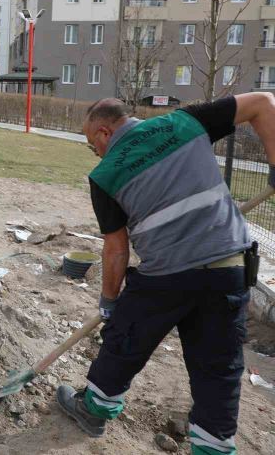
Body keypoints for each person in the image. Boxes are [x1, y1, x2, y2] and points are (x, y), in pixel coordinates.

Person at [58, 93, 275, 455]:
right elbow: (264, 103)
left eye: (89, 143)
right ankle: (213, 449)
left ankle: (95, 409)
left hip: (165, 278)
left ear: (103, 133)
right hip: (227, 269)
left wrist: (109, 305)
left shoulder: (105, 174)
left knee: (124, 338)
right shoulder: (185, 122)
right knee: (219, 368)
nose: (93, 151)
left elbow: (116, 250)